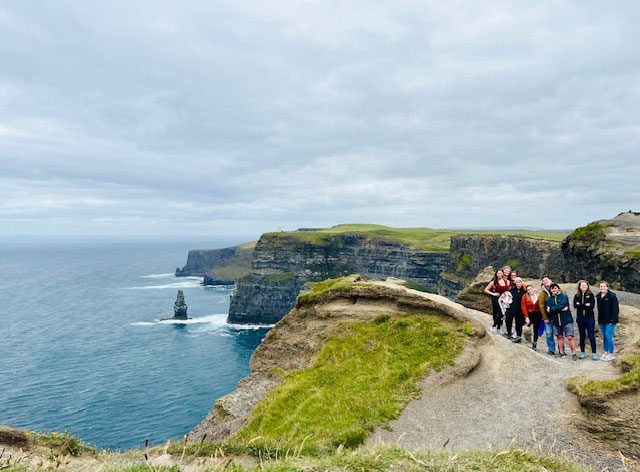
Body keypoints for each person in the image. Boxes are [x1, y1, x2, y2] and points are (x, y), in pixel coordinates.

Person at [546, 283, 577, 360]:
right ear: (550, 290)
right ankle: (561, 352)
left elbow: (563, 304)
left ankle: (574, 353)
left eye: (555, 288)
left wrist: (553, 309)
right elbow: (549, 310)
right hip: (556, 320)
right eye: (552, 289)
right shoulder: (549, 299)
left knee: (570, 337)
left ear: (558, 288)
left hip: (566, 319)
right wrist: (557, 309)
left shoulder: (564, 296)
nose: (554, 290)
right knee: (559, 337)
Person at [573, 280, 598, 360]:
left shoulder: (591, 295)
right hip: (580, 318)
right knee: (582, 335)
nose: (584, 287)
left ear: (587, 286)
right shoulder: (577, 295)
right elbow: (575, 305)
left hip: (589, 318)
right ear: (579, 287)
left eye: (585, 285)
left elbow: (591, 306)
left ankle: (594, 353)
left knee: (591, 335)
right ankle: (582, 352)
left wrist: (580, 305)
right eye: (582, 285)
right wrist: (585, 305)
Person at [596, 281, 619, 362]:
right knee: (604, 336)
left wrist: (612, 320)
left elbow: (615, 309)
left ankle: (611, 354)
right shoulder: (598, 296)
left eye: (604, 286)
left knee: (609, 336)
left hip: (611, 320)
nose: (602, 288)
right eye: (601, 286)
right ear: (599, 287)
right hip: (602, 320)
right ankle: (606, 352)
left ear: (607, 287)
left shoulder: (612, 296)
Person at [484, 269, 511, 334]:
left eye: (501, 273)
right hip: (495, 298)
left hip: (503, 299)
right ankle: (494, 326)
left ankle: (498, 327)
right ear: (496, 274)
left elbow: (507, 290)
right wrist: (493, 294)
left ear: (503, 274)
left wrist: (506, 295)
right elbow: (486, 290)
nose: (500, 275)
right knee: (500, 313)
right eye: (498, 273)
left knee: (502, 313)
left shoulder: (507, 281)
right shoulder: (493, 282)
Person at [538, 275, 557, 355]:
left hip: (557, 315)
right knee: (549, 333)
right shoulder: (542, 292)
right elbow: (541, 305)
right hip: (548, 316)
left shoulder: (557, 288)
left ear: (550, 280)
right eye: (543, 281)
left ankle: (561, 350)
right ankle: (551, 349)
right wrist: (545, 317)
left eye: (546, 280)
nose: (545, 282)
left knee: (559, 333)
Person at [505, 277, 526, 342]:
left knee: (519, 323)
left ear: (522, 283)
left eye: (520, 282)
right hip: (511, 308)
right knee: (508, 321)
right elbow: (507, 298)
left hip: (520, 309)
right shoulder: (511, 290)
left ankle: (518, 336)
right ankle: (509, 333)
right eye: (517, 282)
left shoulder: (524, 291)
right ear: (515, 283)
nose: (518, 283)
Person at [521, 284, 542, 350]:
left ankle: (534, 344)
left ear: (534, 289)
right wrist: (526, 317)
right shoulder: (525, 296)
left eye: (531, 289)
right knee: (526, 328)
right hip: (529, 314)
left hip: (538, 314)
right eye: (528, 290)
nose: (530, 291)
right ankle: (527, 340)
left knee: (536, 330)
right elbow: (523, 307)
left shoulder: (539, 296)